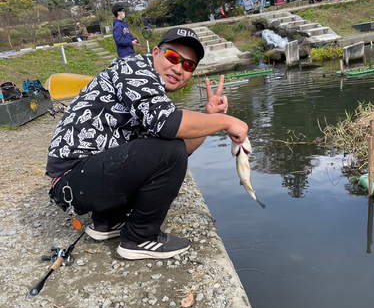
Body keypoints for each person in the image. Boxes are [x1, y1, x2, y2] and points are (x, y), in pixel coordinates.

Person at [46, 27, 248, 261]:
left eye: (188, 65)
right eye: (173, 57)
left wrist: (208, 115)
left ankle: (107, 223)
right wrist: (225, 121)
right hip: (72, 180)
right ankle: (140, 238)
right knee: (168, 147)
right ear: (155, 53)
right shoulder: (133, 69)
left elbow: (179, 150)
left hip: (84, 181)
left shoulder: (150, 88)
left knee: (169, 148)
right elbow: (169, 127)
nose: (178, 68)